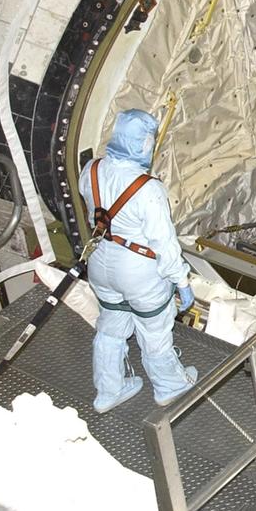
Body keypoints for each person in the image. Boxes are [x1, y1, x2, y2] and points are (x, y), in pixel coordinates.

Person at [79, 109, 196, 413]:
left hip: (100, 262)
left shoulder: (91, 170)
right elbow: (165, 244)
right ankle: (169, 386)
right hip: (139, 271)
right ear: (145, 144)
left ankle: (108, 391)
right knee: (154, 331)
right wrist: (181, 281)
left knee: (110, 328)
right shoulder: (149, 189)